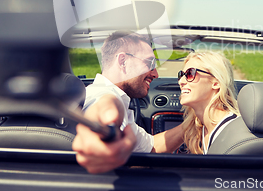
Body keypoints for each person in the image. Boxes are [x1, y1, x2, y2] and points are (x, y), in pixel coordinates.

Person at [73, 31, 184, 173]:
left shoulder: (113, 96)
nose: (156, 74)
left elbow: (152, 146)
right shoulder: (103, 97)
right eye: (150, 63)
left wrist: (191, 125)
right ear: (123, 61)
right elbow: (104, 108)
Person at [177, 51, 240, 154]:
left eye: (190, 73)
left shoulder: (232, 130)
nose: (181, 82)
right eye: (181, 75)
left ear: (216, 83)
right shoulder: (201, 128)